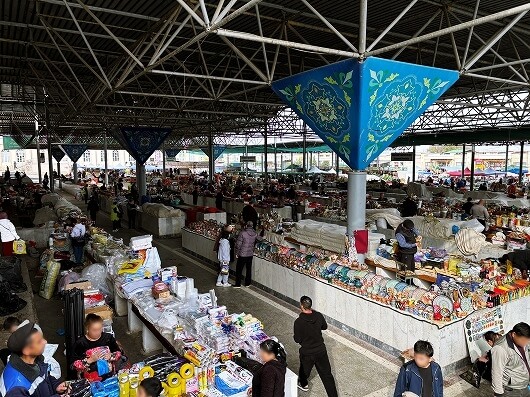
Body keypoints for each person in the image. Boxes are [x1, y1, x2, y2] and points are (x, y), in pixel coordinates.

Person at [0, 321, 68, 397]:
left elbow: (44, 376)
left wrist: (56, 385)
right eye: (39, 341)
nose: (45, 342)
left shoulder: (35, 359)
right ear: (27, 351)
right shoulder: (16, 389)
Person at [294, 296, 338, 397]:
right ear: (310, 305)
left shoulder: (298, 322)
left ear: (301, 306)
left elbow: (297, 339)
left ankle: (303, 384)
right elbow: (324, 326)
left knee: (304, 372)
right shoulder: (318, 316)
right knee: (327, 376)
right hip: (321, 351)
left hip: (307, 353)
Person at [72, 314, 124, 380]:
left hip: (109, 375)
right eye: (94, 330)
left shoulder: (108, 338)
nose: (97, 332)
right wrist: (90, 360)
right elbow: (73, 366)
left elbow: (119, 353)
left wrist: (111, 355)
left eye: (99, 329)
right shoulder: (80, 343)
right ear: (87, 328)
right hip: (90, 379)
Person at [491, 322, 530, 397]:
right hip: (512, 389)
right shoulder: (500, 348)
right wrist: (498, 393)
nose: (526, 343)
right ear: (514, 334)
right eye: (524, 340)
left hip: (525, 383)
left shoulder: (524, 341)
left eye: (528, 340)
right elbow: (497, 372)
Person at [234, 221, 258, 288]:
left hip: (242, 254)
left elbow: (238, 244)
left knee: (239, 269)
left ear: (246, 226)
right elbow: (259, 239)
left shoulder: (243, 233)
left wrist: (237, 253)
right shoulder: (255, 233)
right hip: (250, 254)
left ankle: (238, 284)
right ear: (252, 226)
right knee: (248, 269)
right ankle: (247, 283)